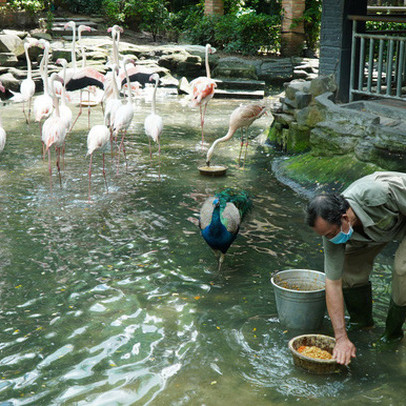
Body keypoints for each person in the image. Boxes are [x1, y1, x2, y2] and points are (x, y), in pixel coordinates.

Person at [305, 171, 406, 366]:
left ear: (344, 217)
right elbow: (332, 283)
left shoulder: (378, 193)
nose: (329, 239)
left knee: (402, 269)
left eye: (331, 233)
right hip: (379, 231)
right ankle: (362, 323)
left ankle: (392, 336)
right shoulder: (332, 233)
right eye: (324, 236)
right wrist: (341, 337)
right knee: (348, 270)